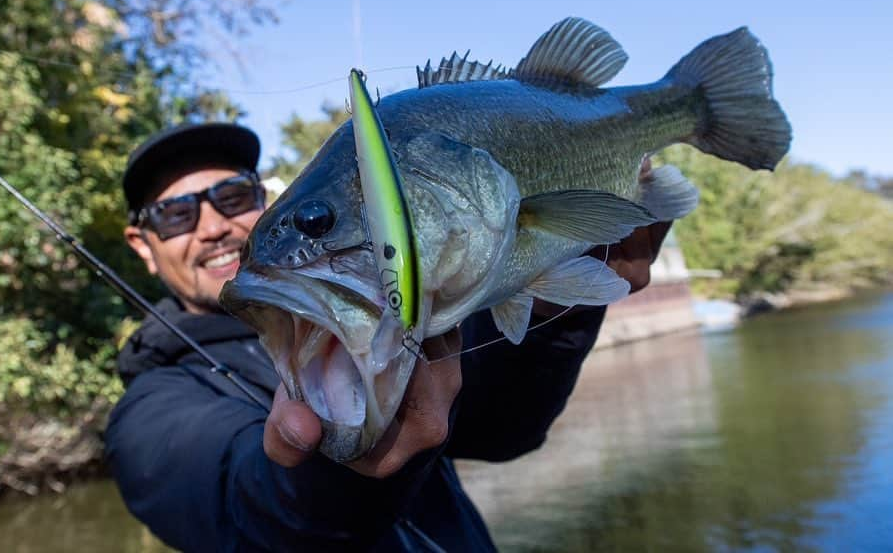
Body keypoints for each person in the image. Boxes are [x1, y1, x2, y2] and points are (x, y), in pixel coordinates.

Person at [105, 122, 670, 552]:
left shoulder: (387, 301)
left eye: (232, 197)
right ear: (139, 244)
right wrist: (337, 471)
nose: (211, 227)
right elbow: (248, 507)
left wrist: (556, 299)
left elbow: (504, 430)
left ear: (262, 201)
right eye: (175, 214)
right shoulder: (148, 413)